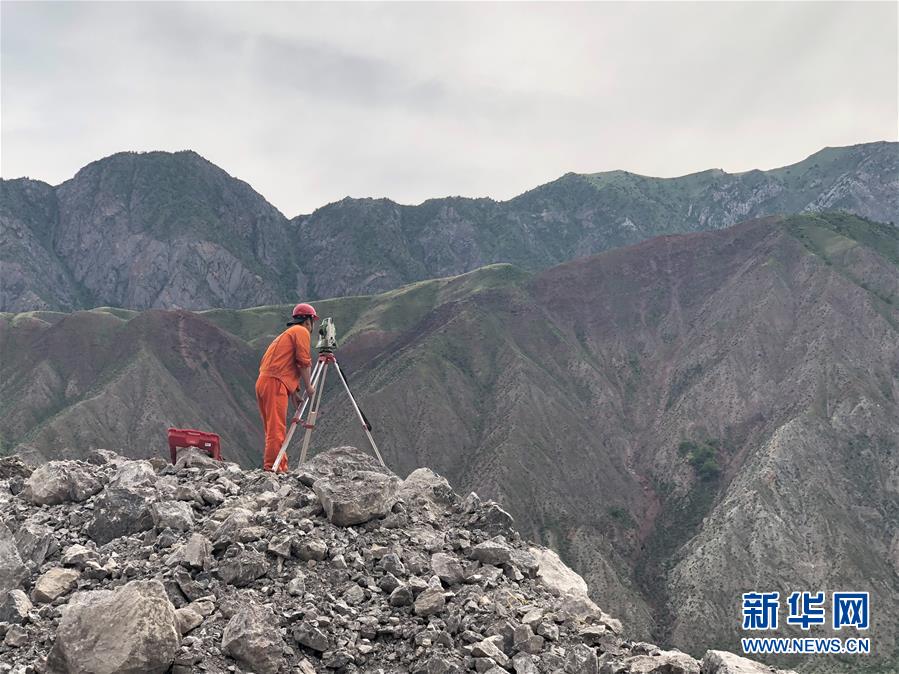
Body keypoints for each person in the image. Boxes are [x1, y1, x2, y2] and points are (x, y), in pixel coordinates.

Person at [256, 303, 318, 471]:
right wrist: (309, 386)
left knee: (272, 429)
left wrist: (294, 392)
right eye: (313, 322)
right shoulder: (301, 331)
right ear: (308, 321)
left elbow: (284, 365)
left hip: (265, 381)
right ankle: (272, 468)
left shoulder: (288, 333)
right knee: (276, 430)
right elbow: (303, 361)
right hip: (274, 383)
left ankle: (280, 466)